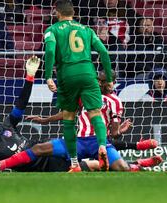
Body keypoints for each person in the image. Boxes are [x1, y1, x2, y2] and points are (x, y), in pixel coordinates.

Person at [0, 70, 162, 172]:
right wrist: (46, 120)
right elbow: (68, 113)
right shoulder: (85, 95)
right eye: (99, 80)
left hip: (99, 143)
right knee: (39, 148)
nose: (101, 83)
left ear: (112, 83)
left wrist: (119, 130)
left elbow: (113, 132)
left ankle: (139, 164)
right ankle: (0, 165)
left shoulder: (114, 101)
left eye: (105, 81)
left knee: (121, 169)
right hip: (78, 141)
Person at [44, 0, 113, 171]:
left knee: (68, 118)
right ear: (73, 13)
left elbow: (51, 51)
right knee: (95, 113)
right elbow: (104, 52)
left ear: (57, 13)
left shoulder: (52, 30)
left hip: (67, 75)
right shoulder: (87, 30)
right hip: (88, 74)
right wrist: (109, 78)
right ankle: (102, 146)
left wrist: (48, 77)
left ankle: (74, 163)